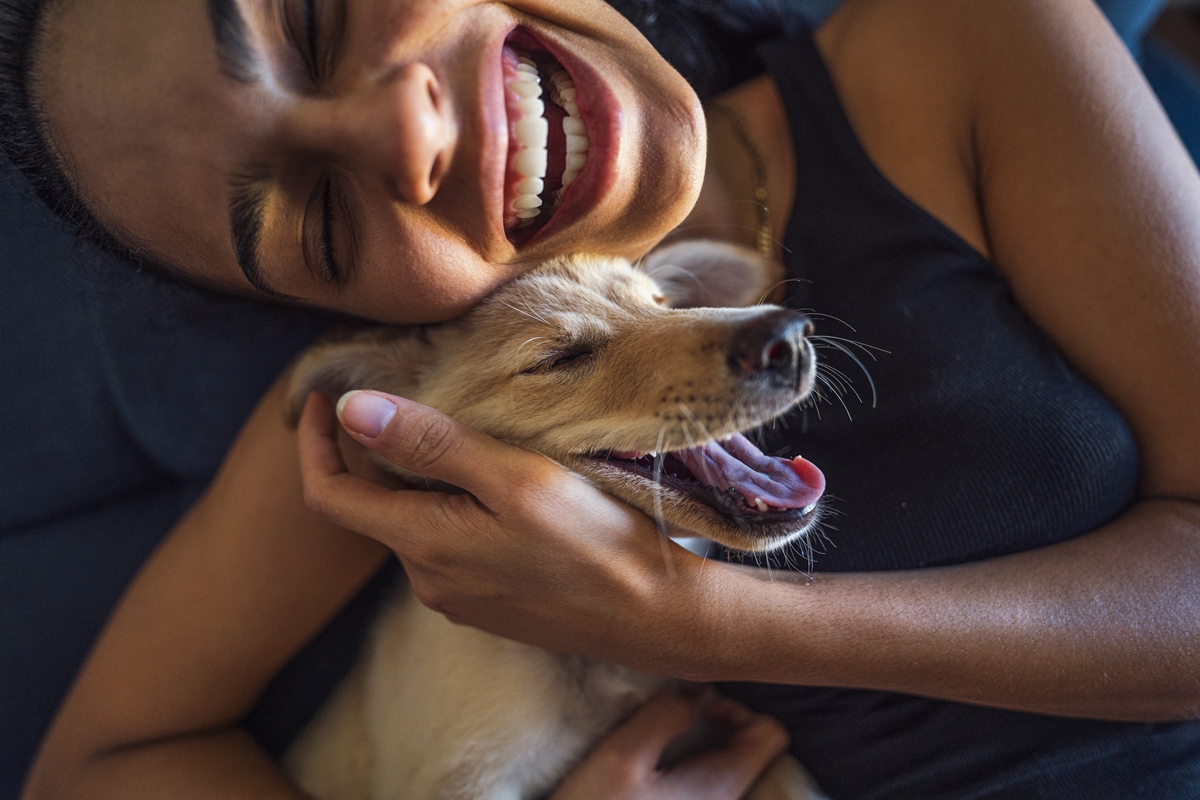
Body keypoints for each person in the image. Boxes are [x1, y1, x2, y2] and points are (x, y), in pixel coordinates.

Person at [2, 0, 1199, 797]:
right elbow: (103, 762)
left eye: (314, 16)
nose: (406, 129)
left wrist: (690, 620)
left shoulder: (970, 46)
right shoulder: (402, 405)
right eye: (317, 215)